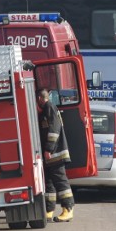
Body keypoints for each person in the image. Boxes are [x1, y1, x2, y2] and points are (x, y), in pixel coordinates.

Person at [37, 88, 75, 222]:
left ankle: (68, 209)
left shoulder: (49, 108)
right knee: (49, 183)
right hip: (51, 155)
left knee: (60, 181)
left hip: (55, 153)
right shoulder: (47, 109)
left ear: (40, 99)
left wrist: (48, 149)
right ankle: (49, 210)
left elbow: (54, 129)